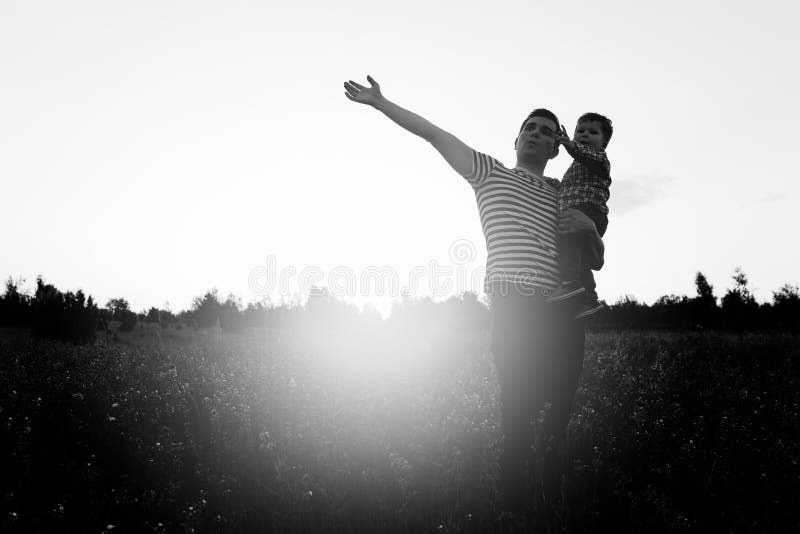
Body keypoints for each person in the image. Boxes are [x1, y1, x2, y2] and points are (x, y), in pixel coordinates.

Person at [343, 75, 605, 514]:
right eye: (531, 128)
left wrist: (592, 231)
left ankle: (553, 507)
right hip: (516, 309)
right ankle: (513, 511)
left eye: (547, 131)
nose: (538, 134)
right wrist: (381, 103)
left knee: (557, 416)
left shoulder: (564, 194)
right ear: (517, 138)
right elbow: (432, 133)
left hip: (563, 311)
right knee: (519, 414)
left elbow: (593, 259)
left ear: (558, 148)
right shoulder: (488, 171)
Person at [547, 113, 613, 319]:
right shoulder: (577, 167)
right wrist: (550, 183)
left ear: (604, 143)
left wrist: (570, 146)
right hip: (583, 210)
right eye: (580, 131)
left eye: (592, 132)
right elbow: (568, 187)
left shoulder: (599, 159)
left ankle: (569, 285)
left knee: (565, 239)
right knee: (581, 260)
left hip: (589, 211)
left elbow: (584, 154)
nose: (584, 134)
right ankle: (588, 300)